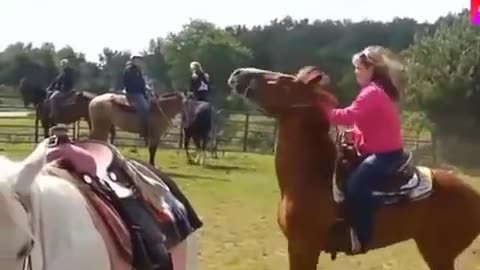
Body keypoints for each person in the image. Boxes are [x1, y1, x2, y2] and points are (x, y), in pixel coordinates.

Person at [318, 45, 406, 254]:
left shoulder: (372, 93)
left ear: (370, 69)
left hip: (385, 155)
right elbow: (368, 122)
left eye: (358, 67)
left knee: (355, 185)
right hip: (377, 151)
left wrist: (319, 108)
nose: (355, 71)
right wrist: (354, 134)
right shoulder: (374, 91)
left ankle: (364, 235)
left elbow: (348, 115)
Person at [123, 54, 151, 141]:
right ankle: (144, 130)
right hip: (133, 93)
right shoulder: (130, 70)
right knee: (145, 108)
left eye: (140, 61)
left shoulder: (138, 70)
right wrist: (144, 88)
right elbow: (131, 83)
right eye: (138, 60)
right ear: (133, 61)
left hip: (140, 93)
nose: (140, 62)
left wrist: (147, 87)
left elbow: (141, 82)